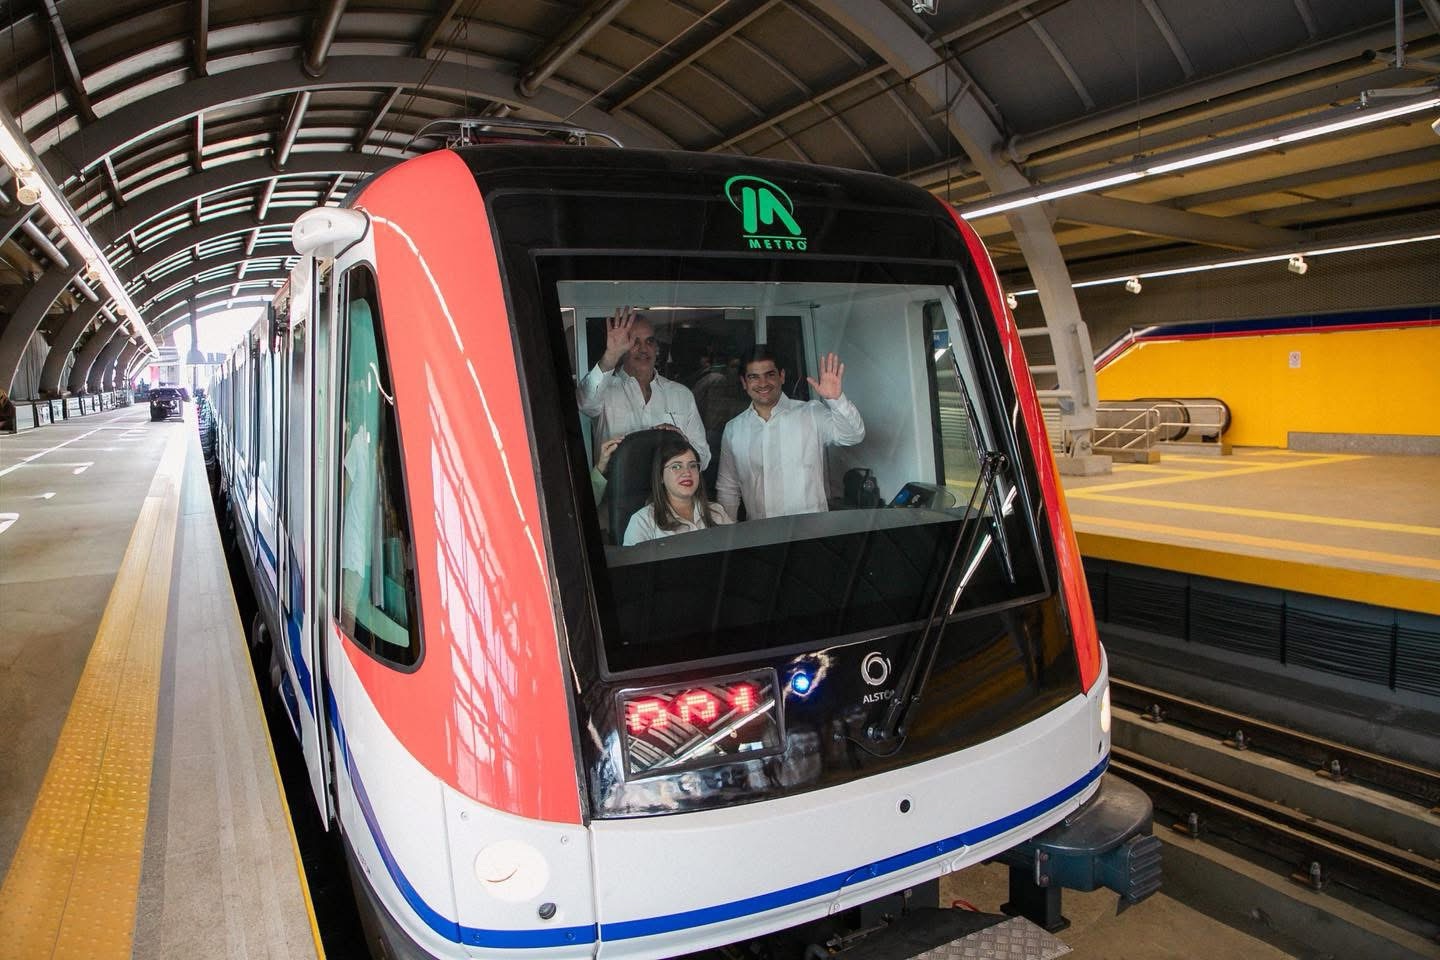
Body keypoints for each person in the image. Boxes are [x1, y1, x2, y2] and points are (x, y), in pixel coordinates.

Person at [716, 346, 864, 520]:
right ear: (744, 383)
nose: (763, 383)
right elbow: (728, 488)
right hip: (760, 536)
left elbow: (853, 435)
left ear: (782, 376)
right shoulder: (734, 429)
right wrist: (726, 535)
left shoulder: (810, 413)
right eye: (753, 377)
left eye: (770, 374)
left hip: (811, 534)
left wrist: (836, 400)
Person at [577, 307, 711, 469]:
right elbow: (584, 402)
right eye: (634, 342)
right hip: (618, 492)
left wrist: (679, 439)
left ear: (657, 348)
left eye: (649, 341)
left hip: (668, 493)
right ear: (623, 348)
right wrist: (611, 354)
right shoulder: (605, 390)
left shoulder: (681, 394)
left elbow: (703, 460)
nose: (643, 349)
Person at [623, 434, 733, 545]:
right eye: (676, 466)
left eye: (693, 466)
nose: (687, 473)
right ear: (660, 476)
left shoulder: (717, 512)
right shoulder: (642, 521)